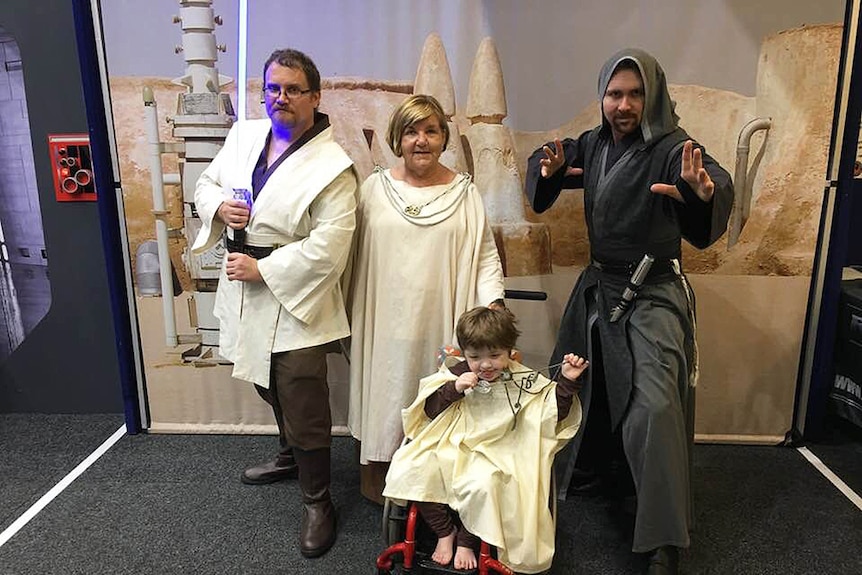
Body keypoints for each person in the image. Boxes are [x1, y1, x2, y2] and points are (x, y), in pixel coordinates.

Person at [524, 48, 733, 575]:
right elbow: (548, 160)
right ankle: (599, 471)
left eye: (635, 94)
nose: (623, 105)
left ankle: (664, 538)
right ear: (602, 97)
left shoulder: (672, 148)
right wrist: (546, 167)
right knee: (572, 383)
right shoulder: (592, 145)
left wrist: (702, 193)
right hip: (599, 288)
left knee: (655, 407)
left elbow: (712, 179)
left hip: (652, 292)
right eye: (614, 94)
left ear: (653, 96)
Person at [191, 48, 358, 558]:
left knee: (302, 393)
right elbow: (205, 183)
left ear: (315, 95)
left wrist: (265, 268)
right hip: (243, 282)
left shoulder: (335, 166)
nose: (280, 98)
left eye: (292, 89)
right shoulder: (243, 137)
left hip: (293, 293)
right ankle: (289, 454)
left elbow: (332, 244)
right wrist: (219, 206)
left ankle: (318, 501)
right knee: (264, 381)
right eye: (272, 88)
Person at [347, 94, 505, 504]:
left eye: (431, 131)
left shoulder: (463, 193)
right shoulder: (374, 190)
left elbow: (485, 253)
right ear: (397, 138)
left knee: (439, 391)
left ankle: (433, 483)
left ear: (443, 138)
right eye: (411, 131)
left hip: (442, 316)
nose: (421, 140)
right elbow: (346, 253)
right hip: (384, 318)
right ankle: (381, 471)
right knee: (388, 389)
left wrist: (493, 305)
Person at [383, 306, 588, 574]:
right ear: (464, 353)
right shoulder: (455, 373)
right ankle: (445, 532)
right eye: (475, 357)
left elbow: (549, 415)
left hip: (499, 449)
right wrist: (453, 389)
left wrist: (567, 382)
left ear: (509, 352)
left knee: (483, 484)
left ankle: (467, 541)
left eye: (495, 355)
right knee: (411, 469)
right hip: (452, 441)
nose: (486, 364)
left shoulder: (521, 379)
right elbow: (427, 411)